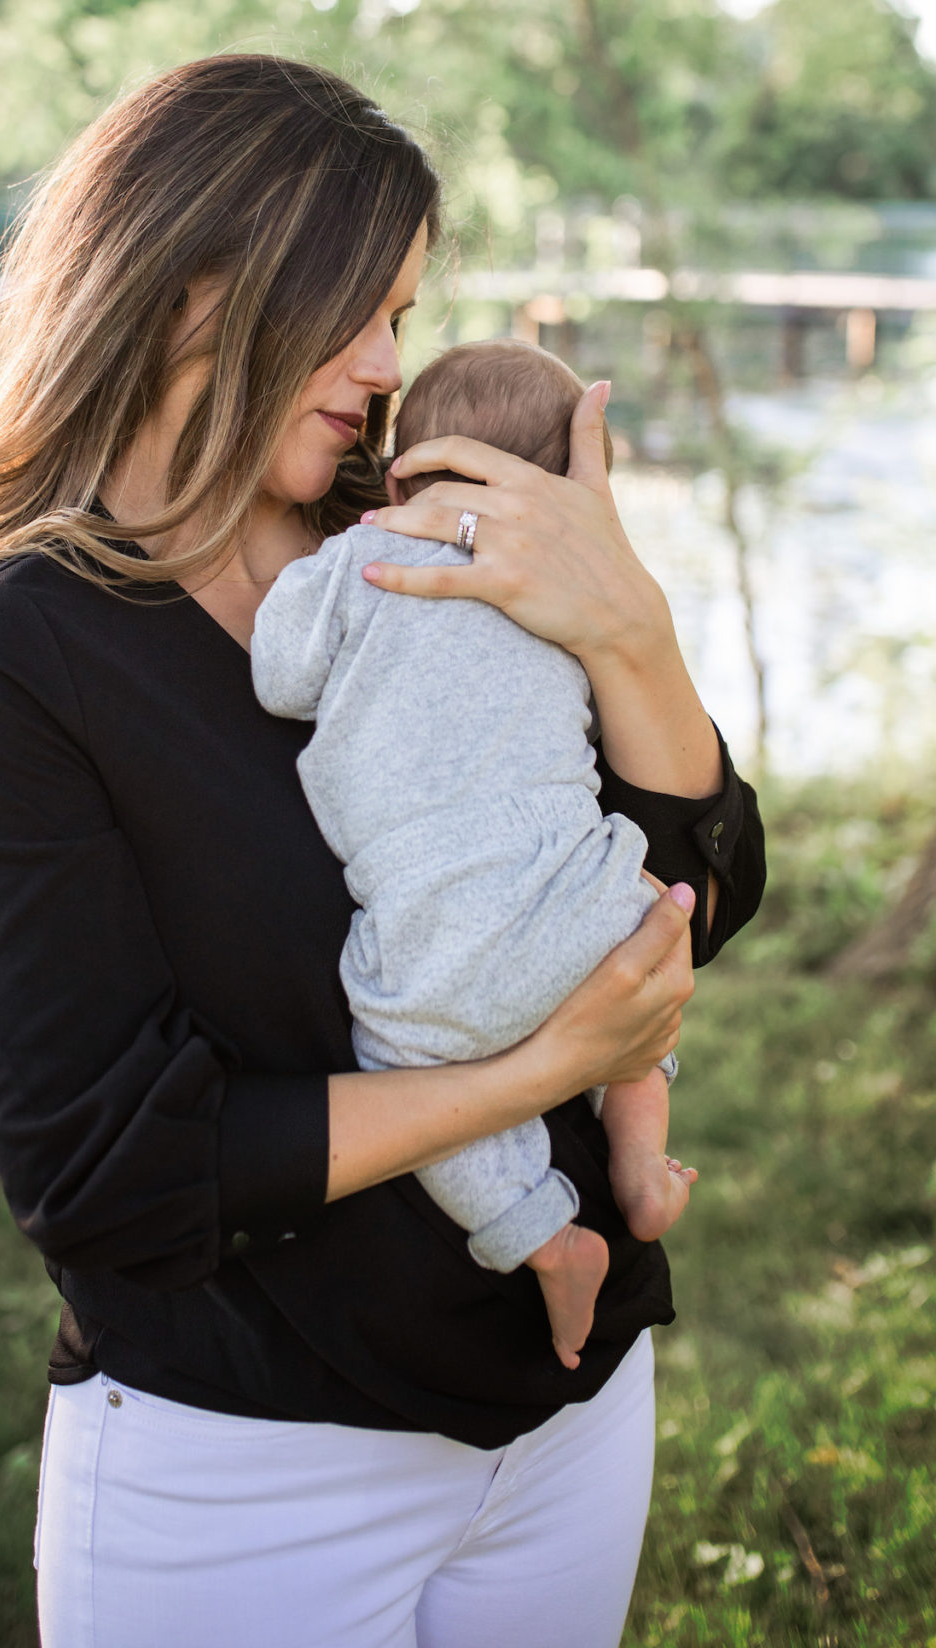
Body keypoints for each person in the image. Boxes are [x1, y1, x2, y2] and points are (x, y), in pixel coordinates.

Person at [0, 54, 765, 1648]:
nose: (389, 366)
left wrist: (625, 625)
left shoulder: (418, 525)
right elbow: (111, 1176)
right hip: (248, 1475)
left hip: (572, 1415)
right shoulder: (21, 658)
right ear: (188, 291)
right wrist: (540, 1069)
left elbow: (699, 891)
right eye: (358, 312)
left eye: (403, 311)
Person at [251, 340, 698, 1373]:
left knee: (408, 1065)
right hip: (581, 887)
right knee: (647, 960)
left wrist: (316, 574)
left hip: (433, 915)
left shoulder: (361, 562)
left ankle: (543, 1233)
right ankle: (639, 1158)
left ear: (401, 472)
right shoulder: (559, 589)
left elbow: (279, 677)